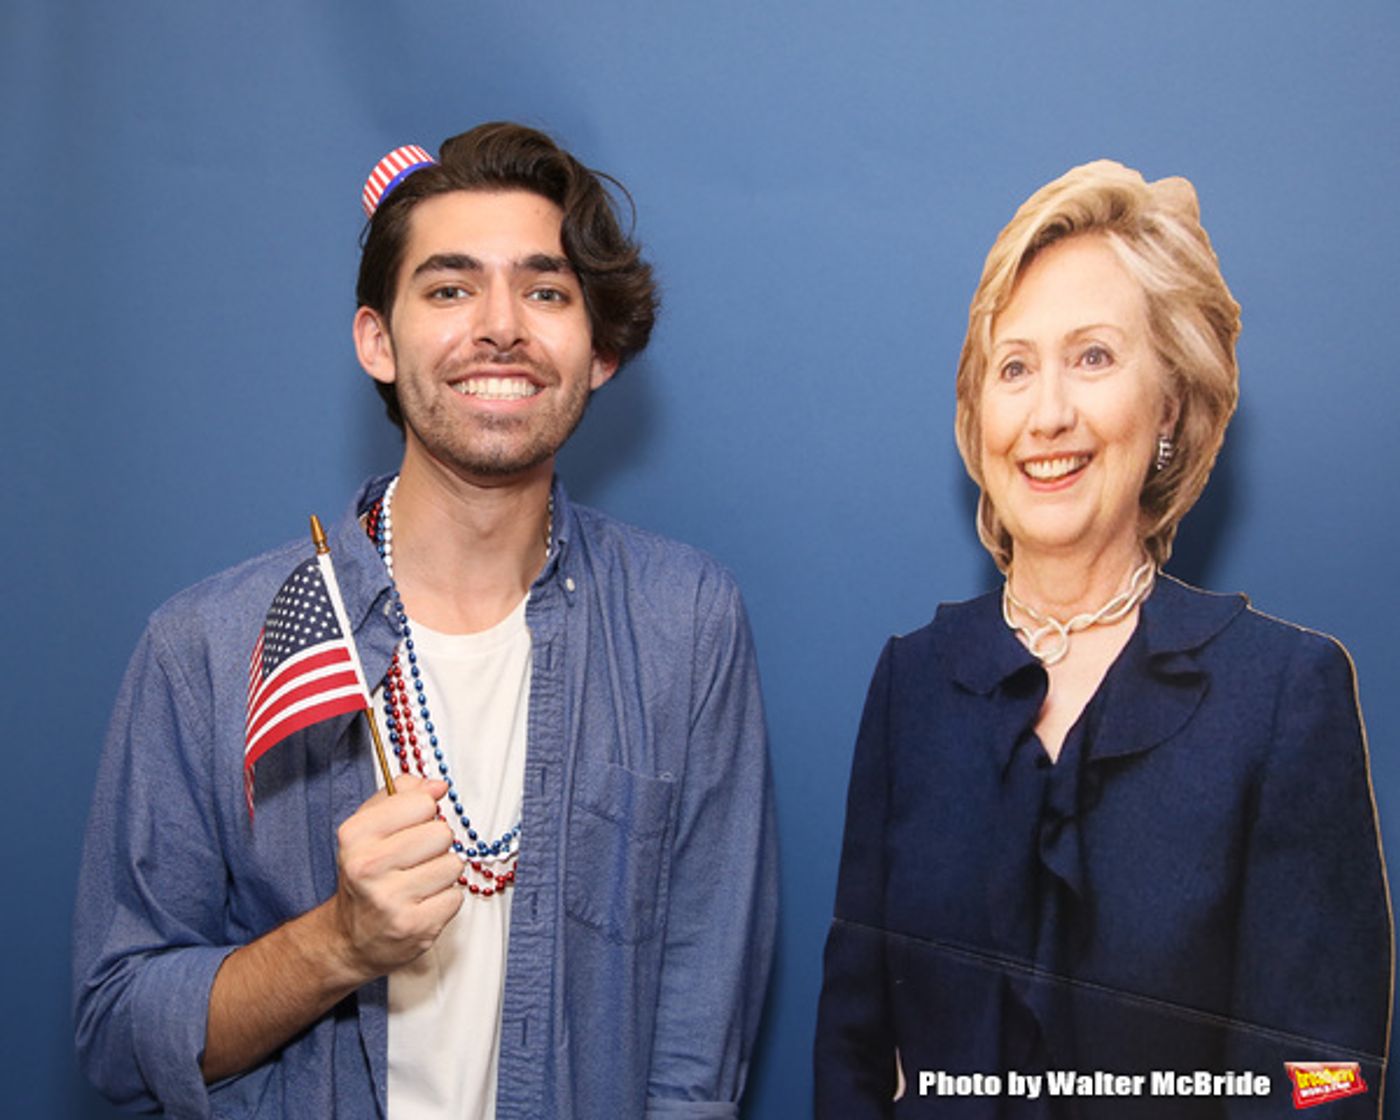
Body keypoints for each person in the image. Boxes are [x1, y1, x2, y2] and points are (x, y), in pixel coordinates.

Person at [74, 122, 777, 1120]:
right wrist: (339, 942)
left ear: (600, 348)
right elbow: (118, 1030)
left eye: (545, 290)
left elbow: (694, 1052)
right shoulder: (206, 648)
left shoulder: (684, 625)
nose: (499, 326)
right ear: (377, 340)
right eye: (448, 289)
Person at [813, 161, 1391, 1117]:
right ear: (979, 412)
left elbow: (1320, 1085)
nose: (1048, 415)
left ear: (1168, 405)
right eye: (1014, 366)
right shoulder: (912, 684)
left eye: (1092, 357)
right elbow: (853, 1057)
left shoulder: (1285, 694)